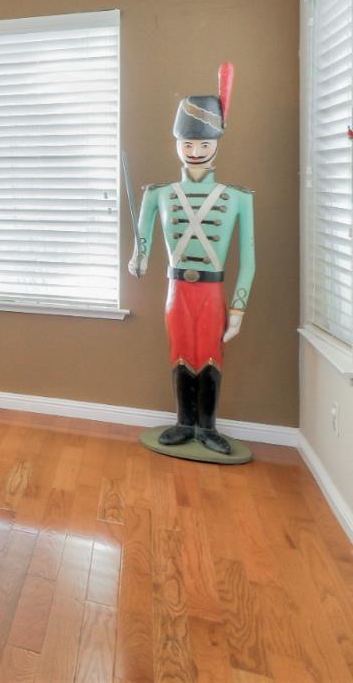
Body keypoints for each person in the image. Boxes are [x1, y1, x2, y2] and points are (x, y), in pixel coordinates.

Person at [129, 63, 254, 455]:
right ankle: (184, 423)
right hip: (176, 287)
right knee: (180, 353)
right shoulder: (158, 193)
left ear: (216, 143)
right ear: (177, 144)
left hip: (213, 290)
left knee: (212, 355)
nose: (195, 152)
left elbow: (248, 259)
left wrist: (238, 309)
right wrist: (140, 258)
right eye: (188, 145)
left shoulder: (238, 198)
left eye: (202, 145)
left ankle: (208, 427)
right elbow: (143, 237)